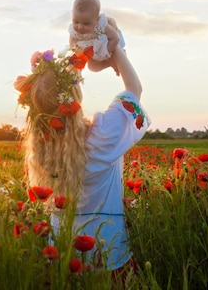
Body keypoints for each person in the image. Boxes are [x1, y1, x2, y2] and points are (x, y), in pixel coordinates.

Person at [14, 43, 149, 285]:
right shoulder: (102, 136)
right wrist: (114, 45)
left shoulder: (42, 147)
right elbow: (134, 89)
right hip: (108, 252)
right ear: (75, 96)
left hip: (63, 253)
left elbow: (47, 95)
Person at [69, 0, 125, 75]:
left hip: (106, 47)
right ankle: (109, 63)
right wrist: (76, 49)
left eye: (86, 23)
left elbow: (115, 38)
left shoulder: (101, 26)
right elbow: (72, 42)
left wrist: (108, 50)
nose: (80, 27)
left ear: (97, 19)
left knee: (117, 58)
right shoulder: (74, 31)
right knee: (92, 67)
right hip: (94, 54)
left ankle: (114, 61)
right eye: (76, 22)